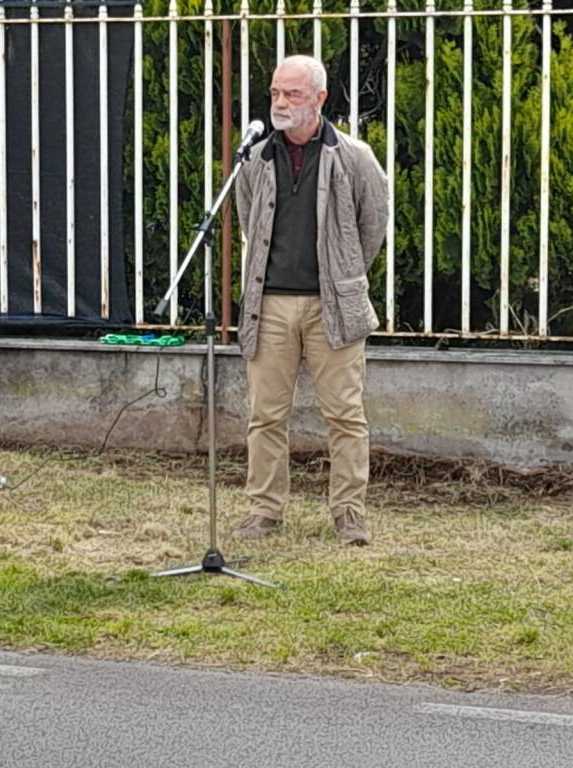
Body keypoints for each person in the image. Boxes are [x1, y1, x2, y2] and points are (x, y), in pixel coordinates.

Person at [233, 54, 388, 545]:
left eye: (292, 94)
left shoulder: (353, 156)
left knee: (345, 414)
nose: (280, 103)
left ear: (320, 98)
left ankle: (349, 513)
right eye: (276, 93)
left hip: (332, 306)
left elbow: (372, 225)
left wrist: (343, 274)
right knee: (265, 415)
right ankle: (264, 510)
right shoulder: (255, 158)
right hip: (271, 304)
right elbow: (246, 220)